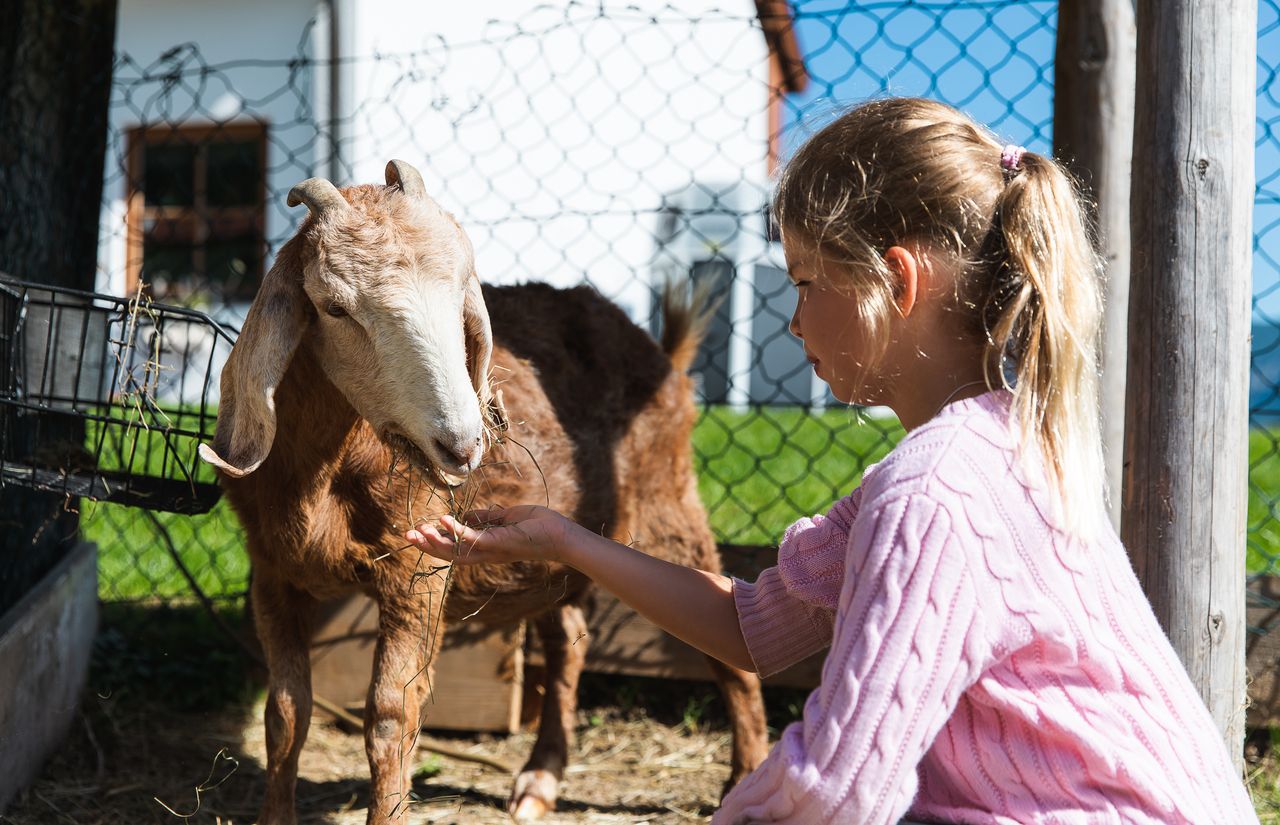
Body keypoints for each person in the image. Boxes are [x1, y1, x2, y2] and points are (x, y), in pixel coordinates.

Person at [404, 97, 1258, 824]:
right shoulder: (978, 453)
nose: (793, 319)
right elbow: (754, 626)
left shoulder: (941, 492)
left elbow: (837, 795)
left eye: (806, 282)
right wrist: (564, 540)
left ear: (896, 282)